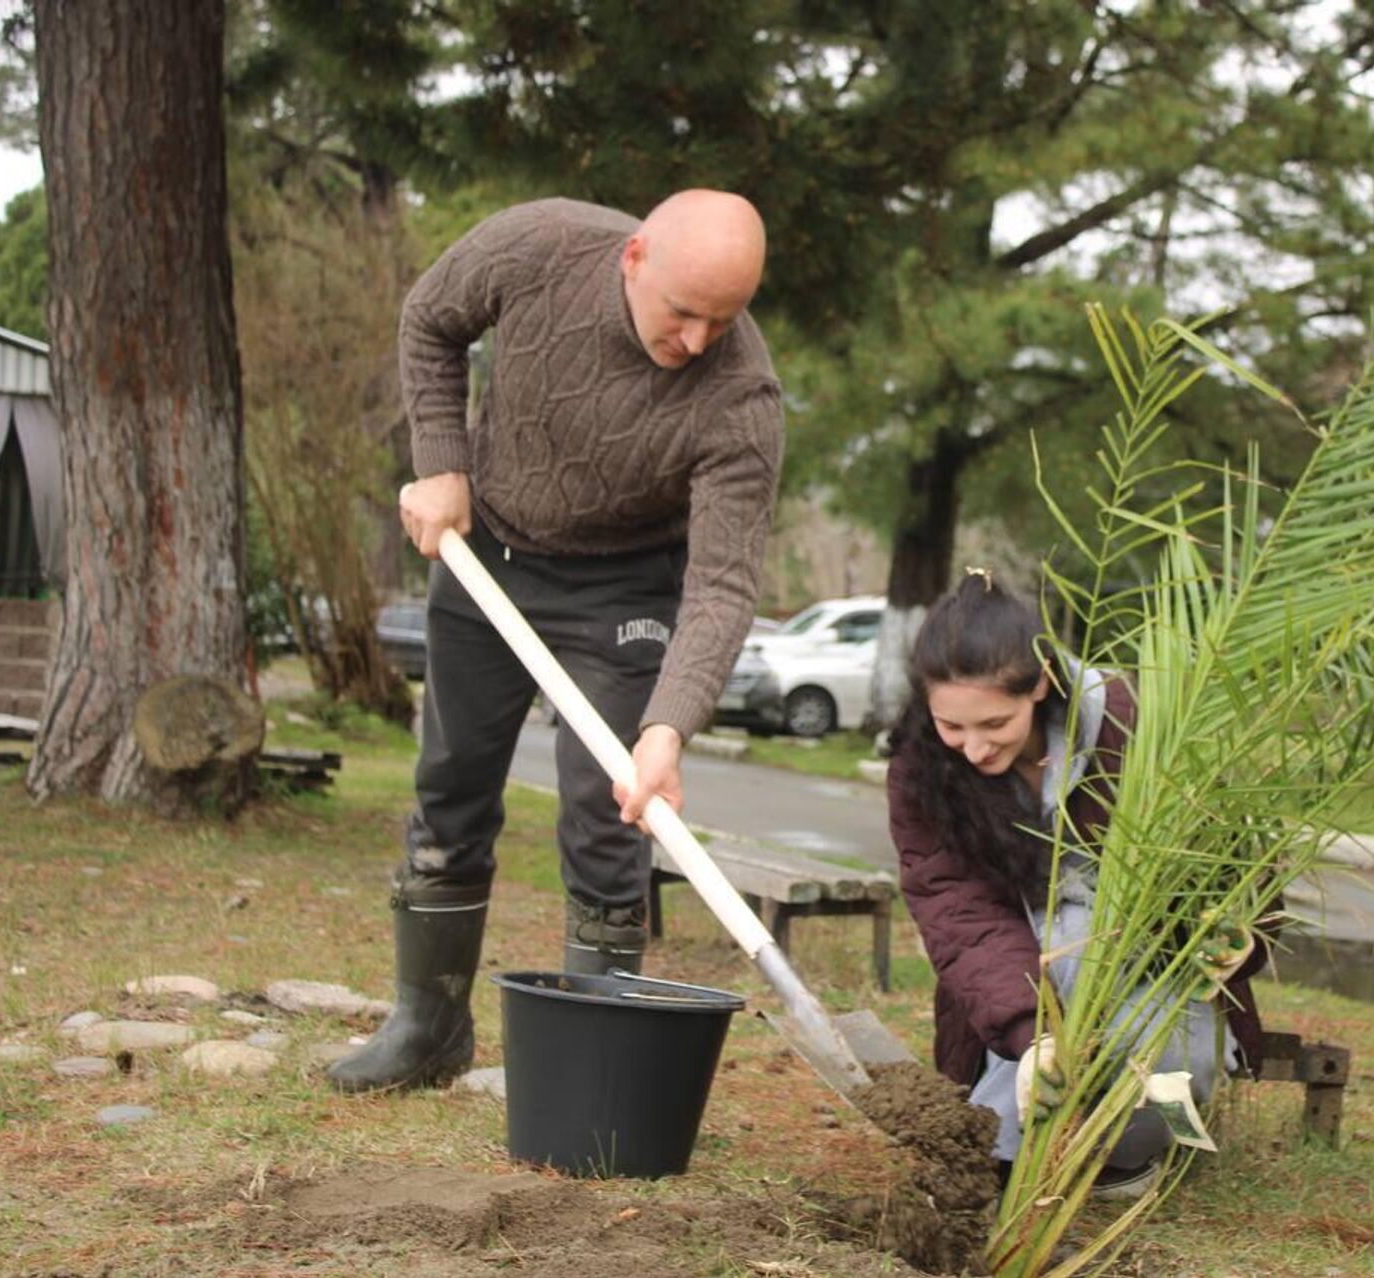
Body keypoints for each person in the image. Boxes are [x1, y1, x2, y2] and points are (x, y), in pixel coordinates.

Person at [330, 191, 784, 1093]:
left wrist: (667, 728)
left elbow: (723, 585)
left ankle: (592, 1070)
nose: (699, 341)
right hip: (487, 556)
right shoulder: (539, 244)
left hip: (623, 587)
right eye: (684, 312)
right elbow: (430, 319)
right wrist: (440, 463)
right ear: (634, 259)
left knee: (609, 812)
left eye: (723, 320)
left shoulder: (743, 400)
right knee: (450, 785)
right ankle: (428, 1028)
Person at [886, 570, 1272, 1192]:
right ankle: (1014, 1150)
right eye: (952, 727)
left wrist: (1235, 933)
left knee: (1171, 1060)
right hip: (1018, 984)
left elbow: (1229, 862)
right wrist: (1031, 1033)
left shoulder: (1138, 727)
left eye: (995, 724)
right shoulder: (922, 770)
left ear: (1040, 683)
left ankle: (1133, 1154)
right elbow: (957, 910)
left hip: (1149, 970)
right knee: (1060, 961)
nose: (974, 749)